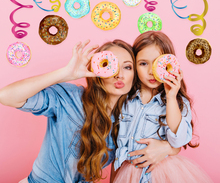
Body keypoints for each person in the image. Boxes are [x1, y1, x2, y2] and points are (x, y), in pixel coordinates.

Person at [0, 39, 179, 183]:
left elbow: (168, 140)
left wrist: (167, 147)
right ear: (98, 69)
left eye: (127, 67)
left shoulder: (128, 118)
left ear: (134, 75)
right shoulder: (71, 98)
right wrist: (64, 73)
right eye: (110, 65)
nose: (119, 75)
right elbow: (6, 96)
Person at [112, 31, 213, 183]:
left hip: (162, 173)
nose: (152, 71)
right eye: (143, 63)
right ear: (134, 65)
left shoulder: (177, 101)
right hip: (127, 173)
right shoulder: (125, 99)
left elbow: (178, 140)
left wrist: (171, 97)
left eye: (158, 64)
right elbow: (116, 148)